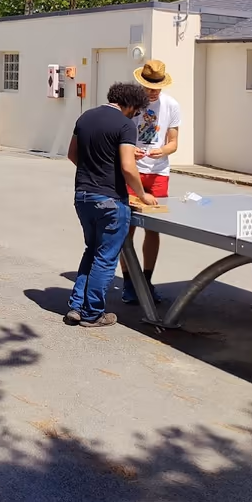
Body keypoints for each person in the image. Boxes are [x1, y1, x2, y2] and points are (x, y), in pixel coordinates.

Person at [65, 82, 157, 328]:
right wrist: (142, 194)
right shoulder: (125, 124)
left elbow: (73, 154)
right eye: (136, 112)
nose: (135, 116)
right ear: (130, 105)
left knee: (91, 251)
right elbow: (128, 167)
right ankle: (93, 314)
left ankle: (76, 306)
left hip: (83, 195)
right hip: (110, 200)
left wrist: (94, 171)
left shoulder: (85, 117)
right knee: (105, 258)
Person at [121, 60, 181, 305]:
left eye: (156, 87)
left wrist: (164, 150)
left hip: (158, 173)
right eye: (148, 86)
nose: (152, 91)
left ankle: (146, 279)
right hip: (133, 170)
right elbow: (120, 135)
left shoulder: (172, 105)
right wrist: (129, 150)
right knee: (127, 226)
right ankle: (128, 282)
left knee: (154, 227)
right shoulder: (130, 105)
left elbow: (174, 142)